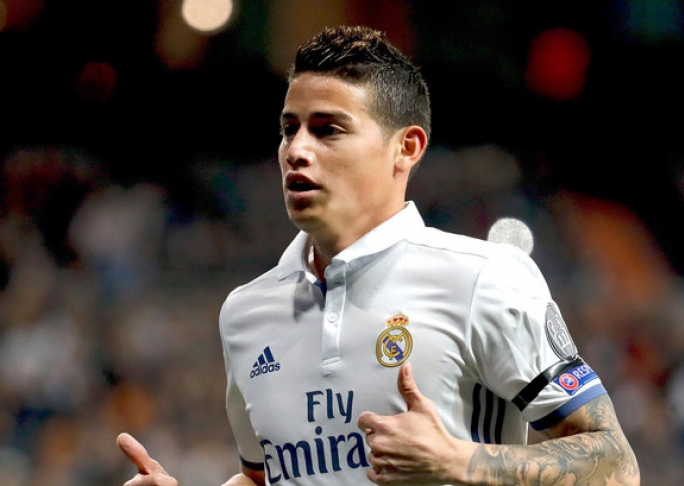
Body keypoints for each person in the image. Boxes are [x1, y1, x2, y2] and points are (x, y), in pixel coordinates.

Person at [117, 25, 640, 485]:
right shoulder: (245, 313)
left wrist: (457, 460)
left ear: (406, 148)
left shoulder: (484, 278)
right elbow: (264, 477)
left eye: (328, 129)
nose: (297, 150)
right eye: (289, 128)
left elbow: (616, 465)